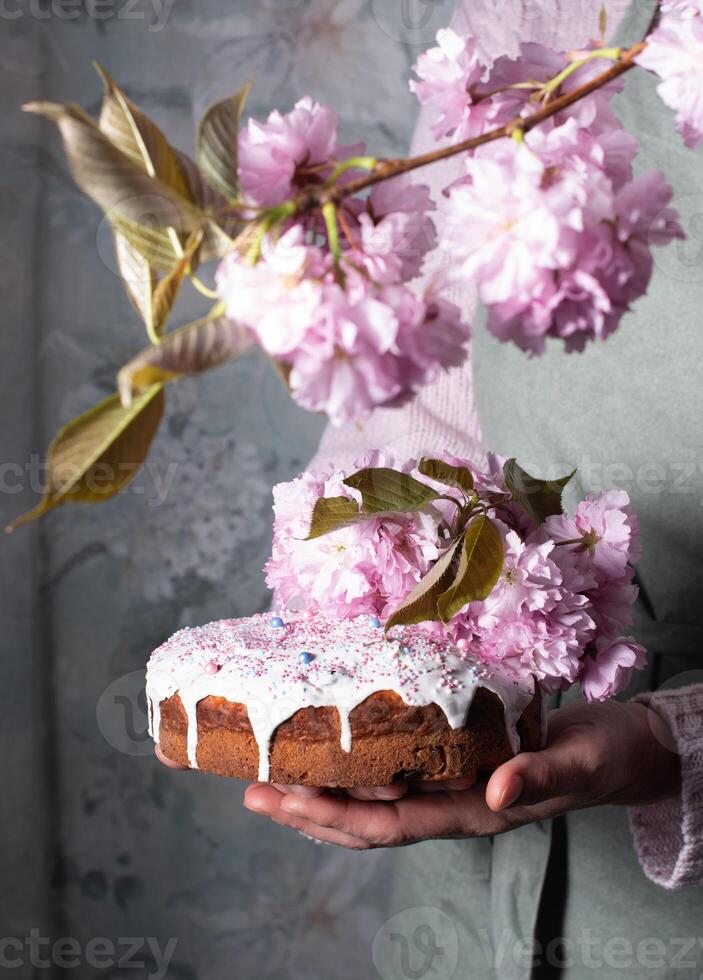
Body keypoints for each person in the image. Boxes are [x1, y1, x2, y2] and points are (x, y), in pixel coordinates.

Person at [161, 1, 703, 976]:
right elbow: (417, 402)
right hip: (467, 895)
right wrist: (363, 640)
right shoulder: (527, 21)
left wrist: (667, 742)